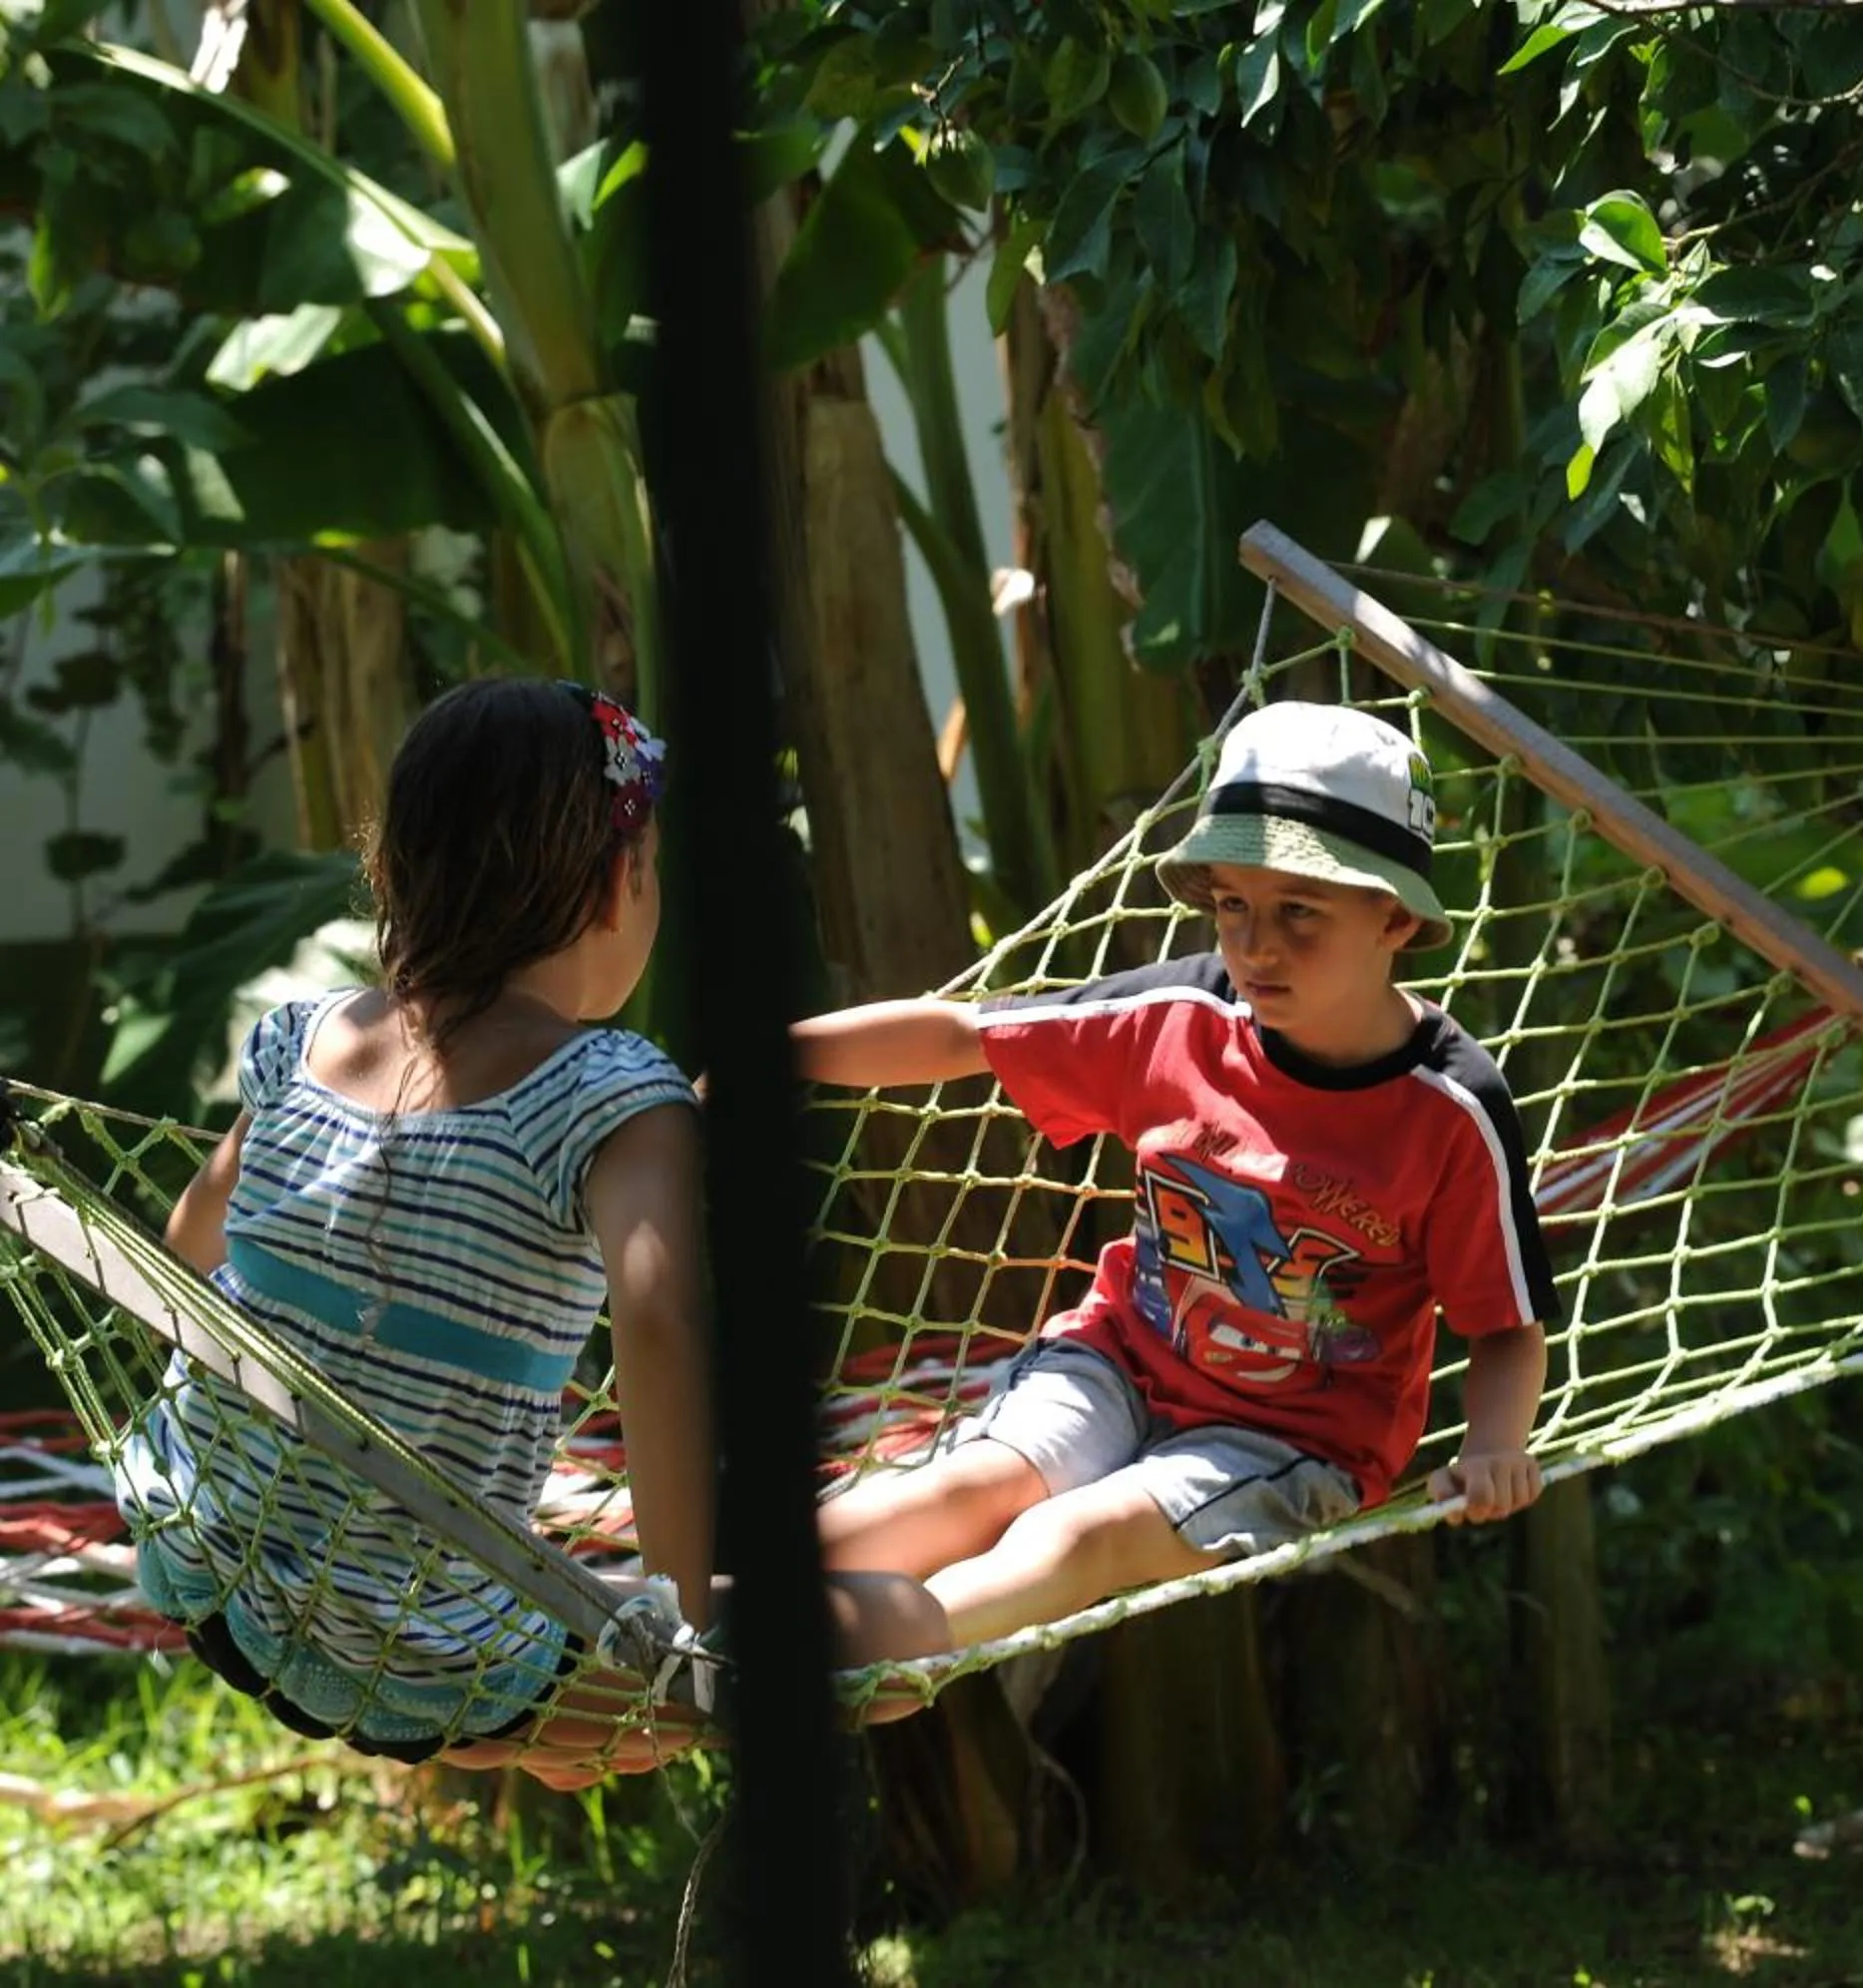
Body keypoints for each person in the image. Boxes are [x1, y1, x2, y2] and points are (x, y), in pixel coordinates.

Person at [797, 701, 1558, 1667]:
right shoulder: (1183, 1016)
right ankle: (693, 1609)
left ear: (1396, 918)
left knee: (1083, 1535)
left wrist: (1495, 1443)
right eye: (1232, 906)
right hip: (1120, 1357)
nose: (1256, 946)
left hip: (1291, 1436)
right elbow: (962, 1037)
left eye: (1299, 913)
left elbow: (1504, 1323)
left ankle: (865, 1648)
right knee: (974, 1487)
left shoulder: (1449, 1108)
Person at [115, 678, 720, 1788]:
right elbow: (659, 1317)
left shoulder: (310, 1035)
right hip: (420, 1652)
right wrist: (679, 1624)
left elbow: (190, 1244)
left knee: (575, 1738)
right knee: (875, 1618)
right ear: (614, 887)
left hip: (206, 1550)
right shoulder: (613, 1090)